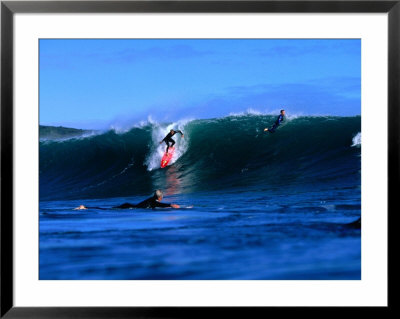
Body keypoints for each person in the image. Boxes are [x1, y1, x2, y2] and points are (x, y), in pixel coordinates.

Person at [74, 190, 180, 210]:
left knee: (108, 208)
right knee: (106, 209)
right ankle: (85, 207)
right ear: (160, 197)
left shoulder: (151, 199)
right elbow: (159, 205)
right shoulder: (154, 201)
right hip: (129, 207)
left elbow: (157, 205)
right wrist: (170, 205)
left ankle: (85, 207)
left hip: (128, 205)